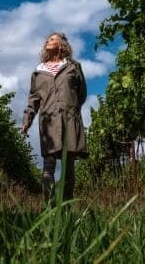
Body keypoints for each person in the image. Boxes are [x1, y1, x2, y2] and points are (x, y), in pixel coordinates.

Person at [21, 32, 88, 200]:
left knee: (68, 167)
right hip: (48, 121)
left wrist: (70, 108)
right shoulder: (39, 72)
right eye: (46, 40)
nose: (47, 41)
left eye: (51, 39)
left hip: (69, 120)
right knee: (48, 166)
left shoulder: (73, 66)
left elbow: (81, 93)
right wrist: (26, 120)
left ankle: (65, 207)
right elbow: (34, 100)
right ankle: (49, 208)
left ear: (61, 44)